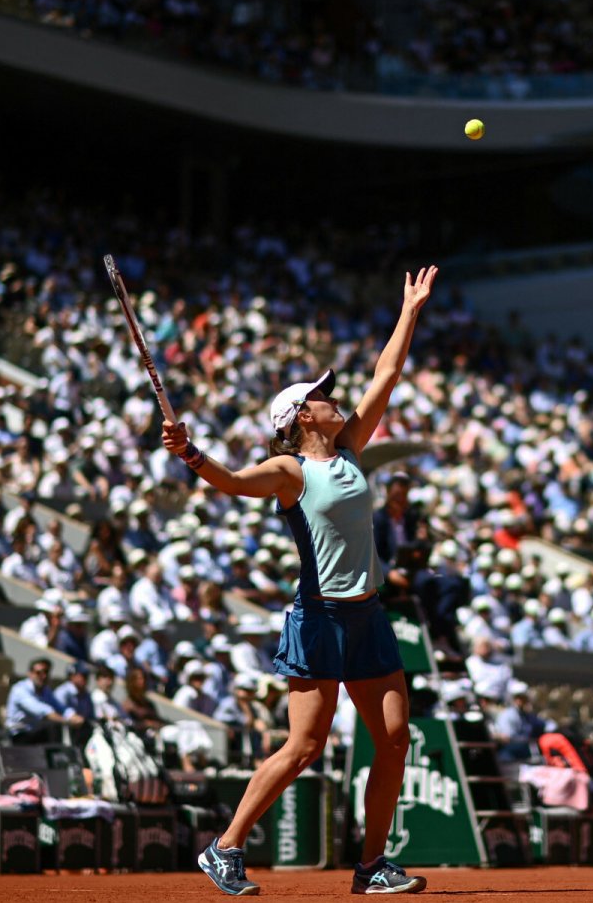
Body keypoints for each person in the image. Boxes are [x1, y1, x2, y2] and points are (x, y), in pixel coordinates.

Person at [160, 264, 437, 896]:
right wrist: (190, 452)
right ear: (301, 417)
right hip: (319, 618)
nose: (332, 396)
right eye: (320, 395)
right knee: (305, 746)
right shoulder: (288, 470)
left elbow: (386, 375)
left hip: (367, 617)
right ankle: (225, 848)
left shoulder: (351, 450)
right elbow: (231, 482)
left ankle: (371, 868)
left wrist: (411, 310)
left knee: (394, 740)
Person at [5, 656, 84, 744]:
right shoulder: (19, 690)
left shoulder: (46, 690)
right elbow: (41, 710)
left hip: (36, 734)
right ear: (30, 674)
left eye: (46, 672)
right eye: (38, 672)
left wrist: (73, 716)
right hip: (18, 735)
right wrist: (66, 721)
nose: (43, 676)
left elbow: (60, 707)